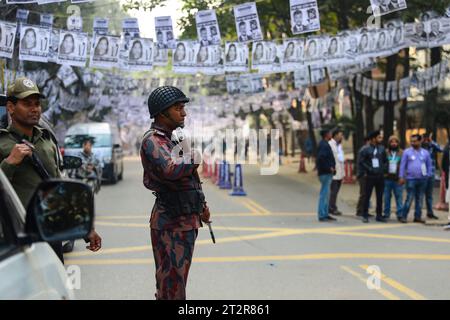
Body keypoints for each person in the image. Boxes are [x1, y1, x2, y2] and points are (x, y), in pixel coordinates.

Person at [0, 77, 102, 263]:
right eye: (27, 103)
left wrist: (83, 227)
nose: (34, 108)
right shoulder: (2, 143)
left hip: (49, 230)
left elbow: (57, 186)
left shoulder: (46, 141)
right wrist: (9, 163)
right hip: (16, 234)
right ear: (11, 107)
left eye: (37, 103)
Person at [141, 86, 210, 300]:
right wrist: (193, 156)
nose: (184, 113)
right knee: (171, 285)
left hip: (185, 219)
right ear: (162, 113)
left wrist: (202, 207)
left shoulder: (173, 139)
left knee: (176, 283)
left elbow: (190, 180)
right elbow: (170, 169)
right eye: (178, 108)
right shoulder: (153, 141)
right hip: (170, 223)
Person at [398, 134, 432, 223]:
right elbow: (402, 165)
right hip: (410, 179)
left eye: (415, 141)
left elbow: (429, 165)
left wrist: (428, 175)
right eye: (411, 141)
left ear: (420, 141)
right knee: (409, 198)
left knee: (420, 198)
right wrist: (401, 177)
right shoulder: (407, 152)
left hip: (423, 179)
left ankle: (417, 217)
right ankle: (403, 216)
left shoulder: (425, 152)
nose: (412, 143)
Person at [358, 130, 387, 223]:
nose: (380, 139)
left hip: (380, 175)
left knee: (380, 196)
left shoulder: (382, 149)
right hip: (370, 176)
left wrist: (383, 169)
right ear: (373, 139)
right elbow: (361, 162)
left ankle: (379, 215)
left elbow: (385, 160)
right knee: (367, 195)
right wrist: (369, 169)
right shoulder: (365, 149)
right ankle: (364, 214)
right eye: (379, 137)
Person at [316, 129, 336, 222]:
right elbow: (321, 158)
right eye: (330, 133)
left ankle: (325, 213)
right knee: (324, 194)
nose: (331, 134)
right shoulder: (324, 145)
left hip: (326, 172)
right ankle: (322, 214)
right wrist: (329, 168)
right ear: (326, 134)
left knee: (326, 194)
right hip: (325, 173)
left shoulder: (324, 144)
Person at [421, 132, 442, 219]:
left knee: (429, 195)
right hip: (421, 174)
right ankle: (418, 213)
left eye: (427, 138)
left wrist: (432, 141)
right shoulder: (419, 147)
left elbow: (441, 149)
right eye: (424, 138)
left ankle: (430, 212)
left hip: (431, 173)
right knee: (420, 195)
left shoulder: (432, 146)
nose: (426, 140)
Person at [383, 135, 404, 220]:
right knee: (387, 197)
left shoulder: (402, 153)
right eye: (392, 142)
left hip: (398, 179)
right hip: (387, 178)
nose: (394, 143)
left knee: (399, 197)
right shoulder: (385, 152)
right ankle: (386, 213)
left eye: (395, 142)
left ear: (398, 143)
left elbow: (404, 165)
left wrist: (403, 177)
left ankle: (400, 214)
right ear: (389, 143)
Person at [328, 128, 345, 216]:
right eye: (340, 134)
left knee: (336, 191)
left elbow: (341, 160)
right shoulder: (330, 144)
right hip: (334, 173)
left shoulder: (339, 145)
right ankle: (331, 208)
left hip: (340, 172)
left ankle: (333, 206)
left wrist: (343, 173)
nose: (341, 136)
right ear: (335, 135)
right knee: (333, 191)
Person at [356, 136, 371, 217]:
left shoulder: (368, 149)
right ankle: (360, 210)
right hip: (363, 174)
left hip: (366, 174)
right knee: (364, 193)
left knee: (366, 193)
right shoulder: (364, 149)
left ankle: (364, 210)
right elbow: (362, 163)